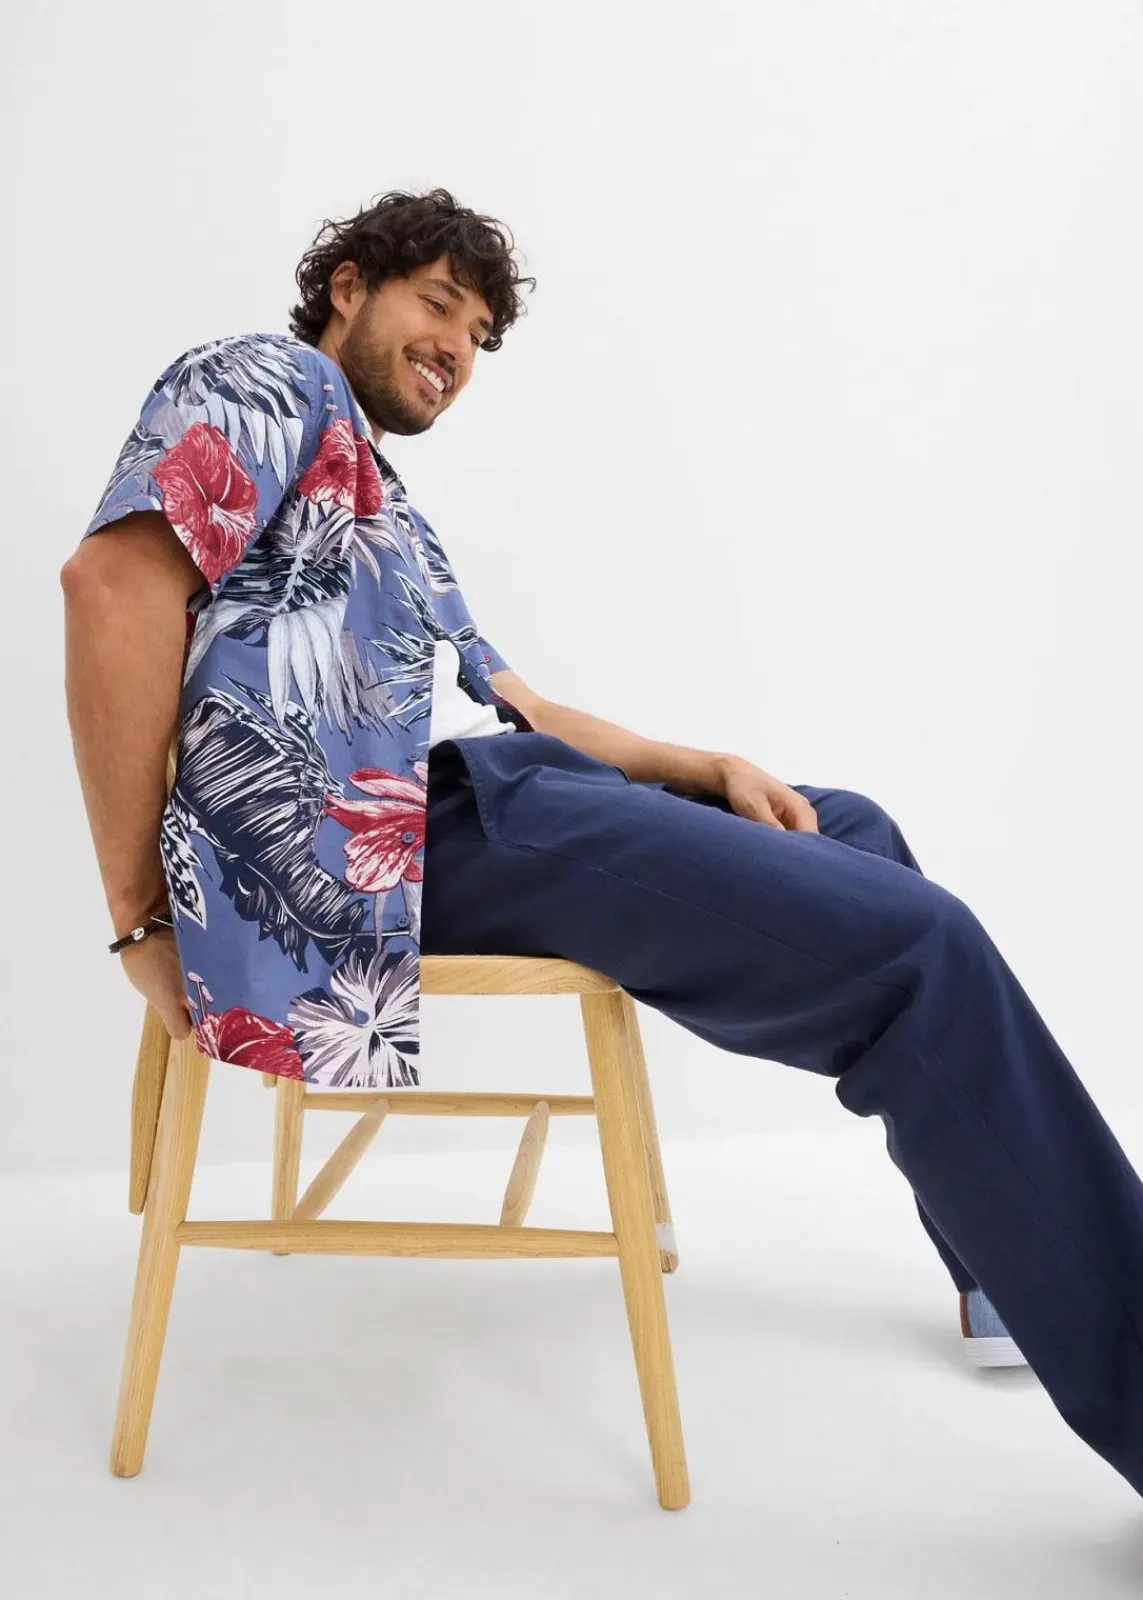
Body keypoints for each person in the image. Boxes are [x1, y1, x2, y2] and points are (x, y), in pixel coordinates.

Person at [62, 187, 1143, 1502]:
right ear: (346, 288)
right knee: (922, 949)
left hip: (474, 791)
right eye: (436, 305)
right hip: (385, 844)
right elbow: (111, 586)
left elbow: (521, 704)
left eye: (478, 336)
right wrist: (140, 916)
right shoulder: (265, 380)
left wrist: (705, 765)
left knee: (851, 826)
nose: (456, 349)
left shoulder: (377, 495)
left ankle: (1010, 1273)